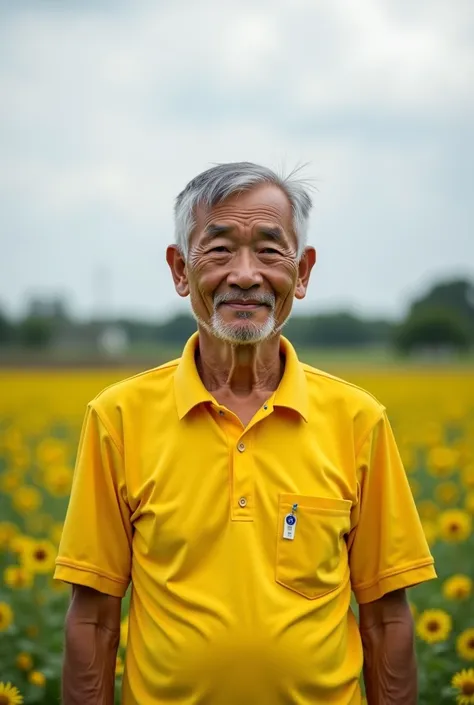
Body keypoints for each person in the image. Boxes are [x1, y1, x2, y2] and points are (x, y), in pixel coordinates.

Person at [55, 162, 436, 705]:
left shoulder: (358, 420)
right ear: (180, 270)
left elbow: (386, 620)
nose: (244, 275)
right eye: (218, 250)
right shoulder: (117, 418)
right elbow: (92, 620)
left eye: (268, 249)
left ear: (301, 273)